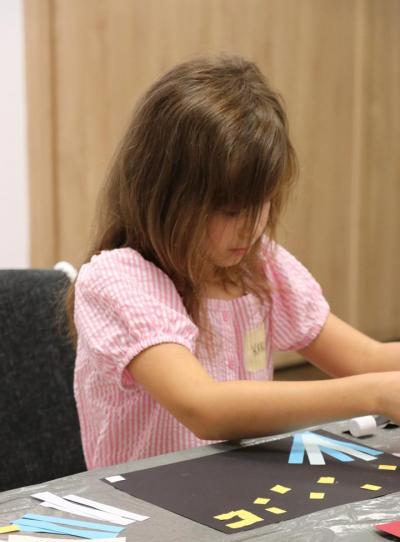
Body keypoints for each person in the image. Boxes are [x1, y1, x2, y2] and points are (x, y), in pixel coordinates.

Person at [68, 54, 400, 470]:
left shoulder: (260, 266)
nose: (251, 227)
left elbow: (366, 357)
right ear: (166, 196)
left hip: (236, 493)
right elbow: (204, 407)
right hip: (142, 505)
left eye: (262, 203)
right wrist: (375, 394)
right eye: (230, 210)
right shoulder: (117, 280)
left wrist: (379, 381)